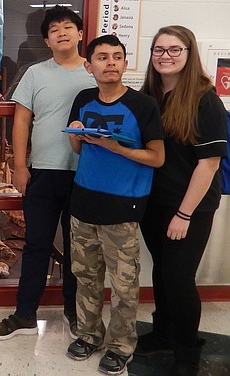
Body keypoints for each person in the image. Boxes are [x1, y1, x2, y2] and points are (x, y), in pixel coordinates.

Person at [0, 5, 95, 341]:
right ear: (47, 41)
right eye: (53, 30)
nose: (61, 32)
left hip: (86, 174)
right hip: (43, 173)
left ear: (80, 34)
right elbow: (21, 120)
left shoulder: (95, 72)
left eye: (67, 27)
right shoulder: (35, 72)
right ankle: (24, 314)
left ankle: (75, 313)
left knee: (79, 248)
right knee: (36, 244)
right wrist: (20, 166)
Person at [64, 35, 164, 375]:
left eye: (117, 57)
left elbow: (157, 157)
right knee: (86, 276)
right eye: (103, 57)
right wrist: (75, 134)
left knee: (123, 285)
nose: (111, 62)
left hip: (123, 208)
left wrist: (117, 148)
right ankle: (89, 335)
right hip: (83, 203)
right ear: (89, 66)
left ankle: (121, 346)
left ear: (124, 63)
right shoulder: (83, 98)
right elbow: (79, 151)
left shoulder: (143, 105)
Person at [138, 26, 228, 376]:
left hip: (190, 206)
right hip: (154, 203)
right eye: (159, 49)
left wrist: (184, 214)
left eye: (175, 50)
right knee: (162, 272)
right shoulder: (148, 96)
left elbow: (209, 164)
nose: (165, 56)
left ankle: (188, 352)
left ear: (190, 54)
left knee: (178, 277)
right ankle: (162, 333)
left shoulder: (205, 99)